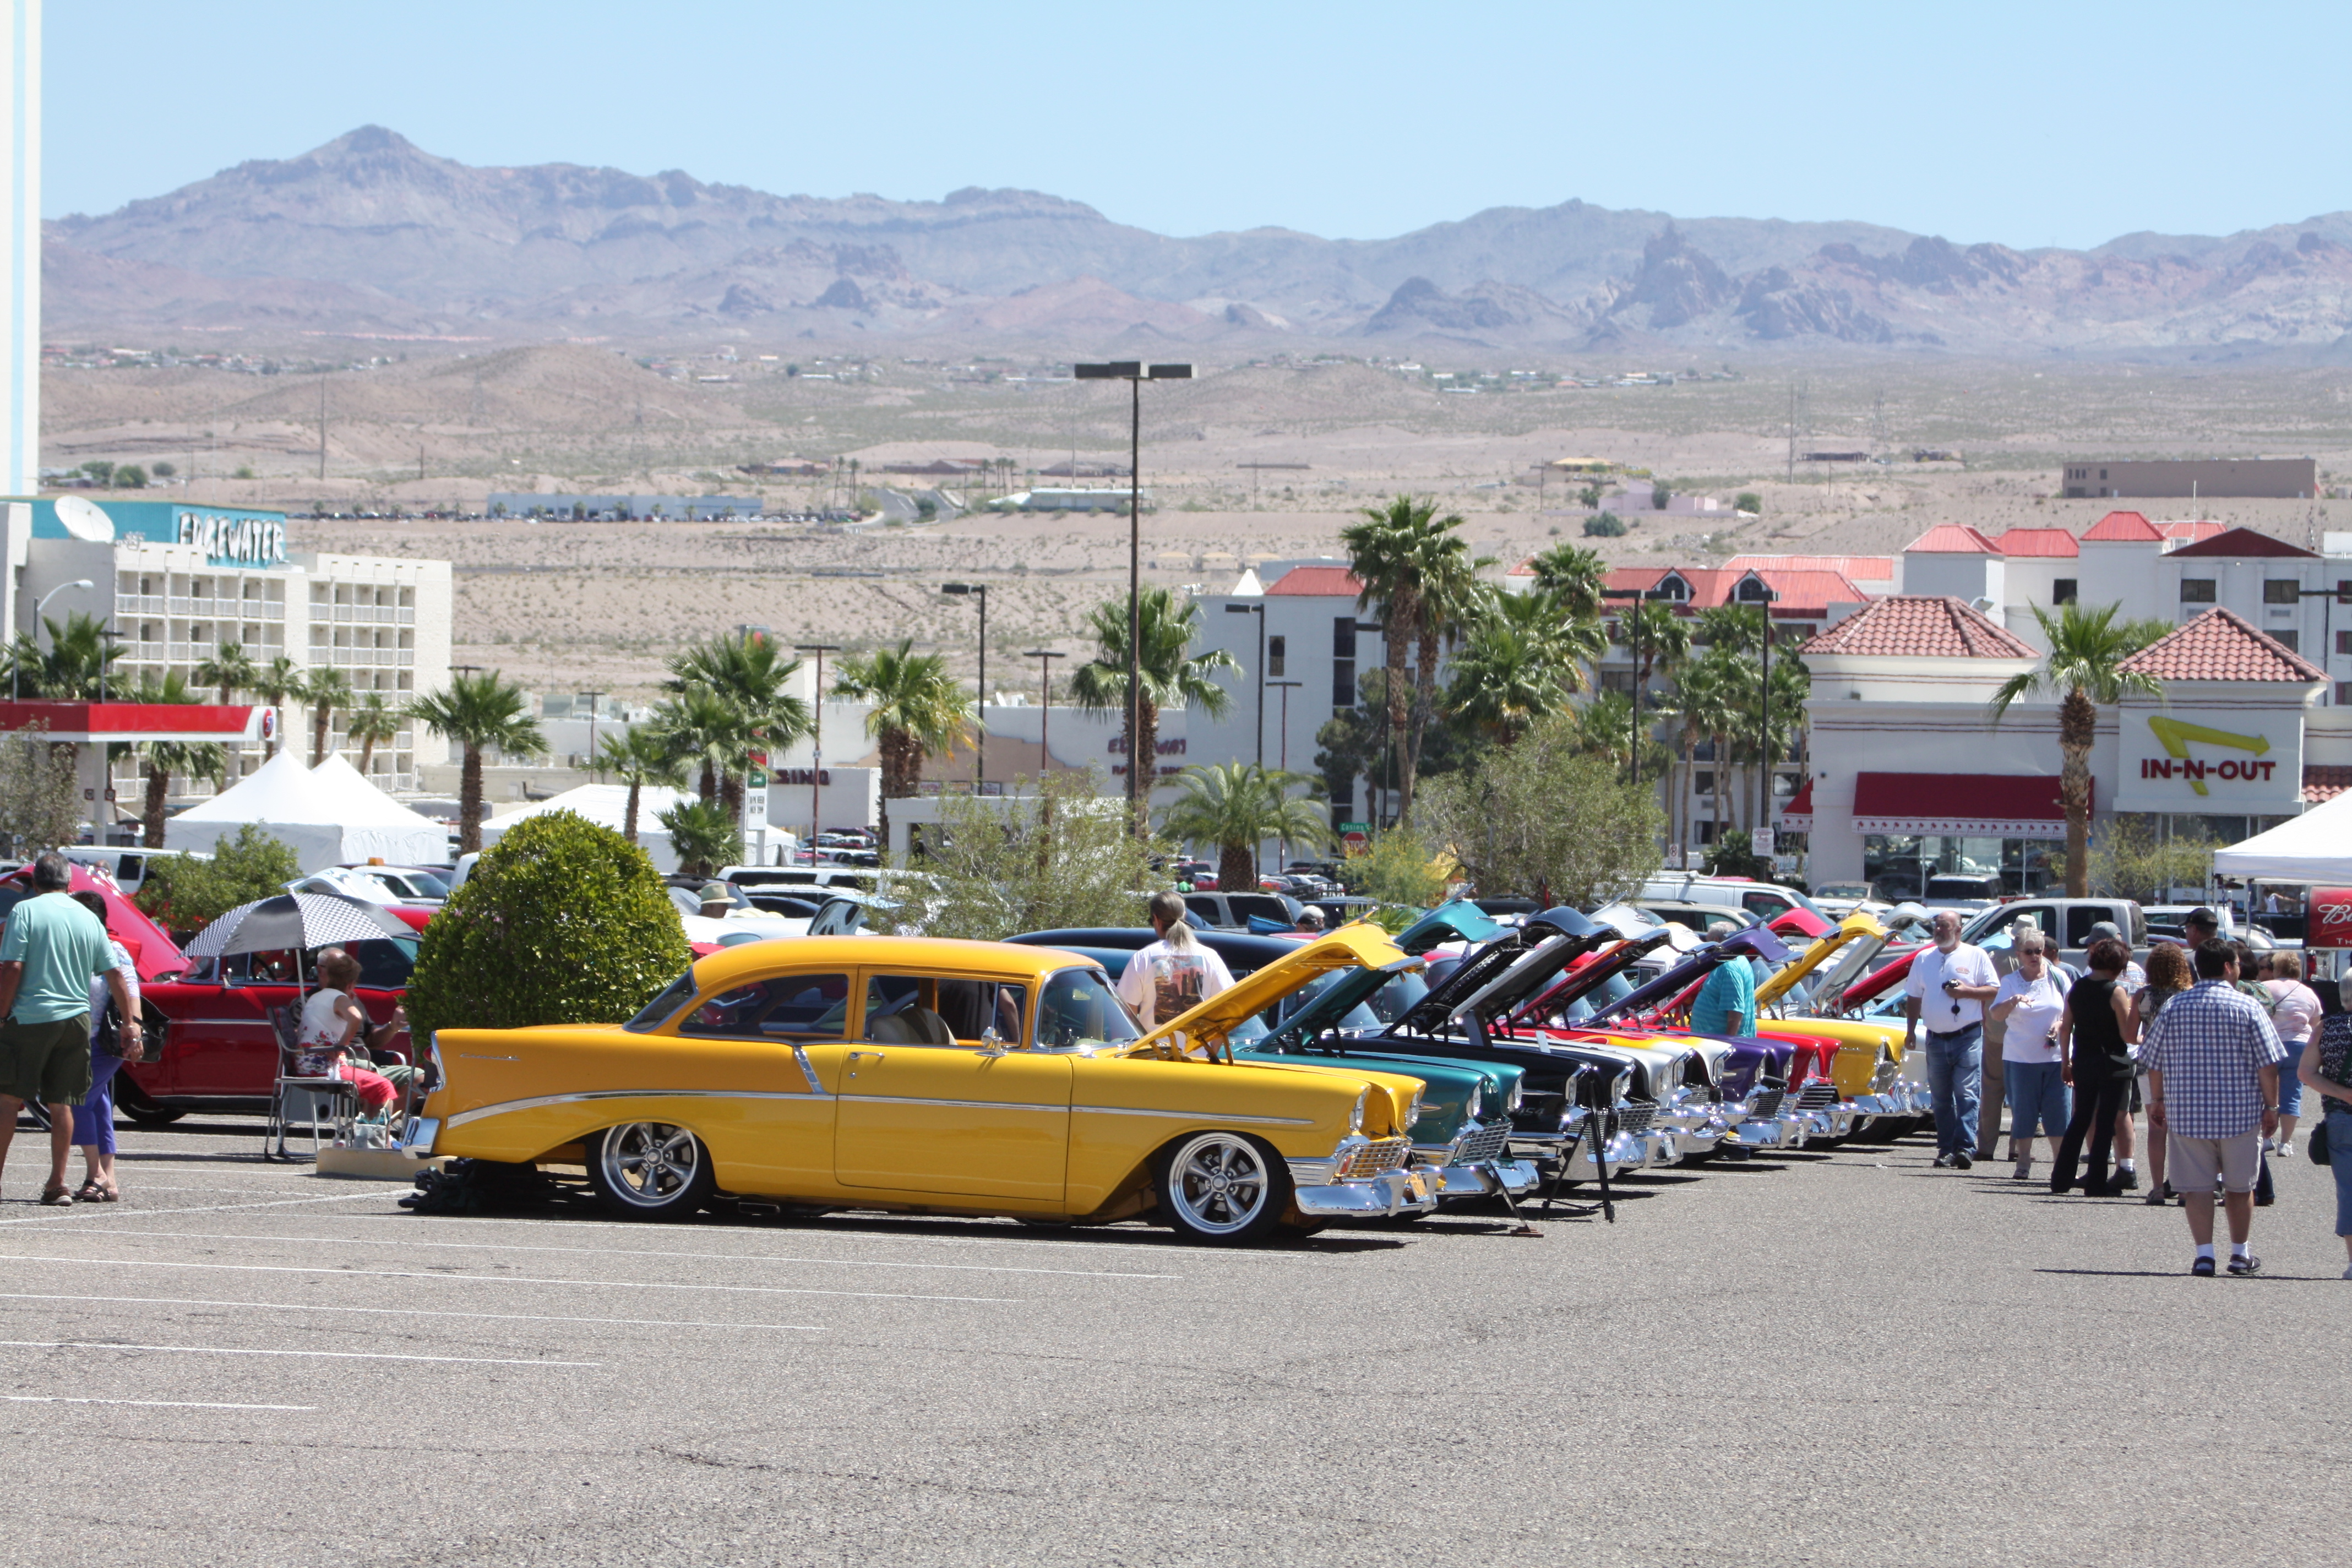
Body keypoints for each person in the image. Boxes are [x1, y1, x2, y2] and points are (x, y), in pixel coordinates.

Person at [2143, 938, 2286, 1277]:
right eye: (2236, 963)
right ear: (2227, 967)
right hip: (2240, 1114)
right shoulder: (2248, 1007)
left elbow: (2153, 1059)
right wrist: (2272, 1106)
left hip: (2188, 1114)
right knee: (2240, 1187)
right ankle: (2239, 1254)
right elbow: (2268, 1064)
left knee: (2197, 1188)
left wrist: (2158, 1100)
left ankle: (2204, 1256)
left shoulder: (2174, 1007)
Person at [0, 853, 138, 1205]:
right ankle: (57, 1184)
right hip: (76, 1020)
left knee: (8, 1099)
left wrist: (1, 1015)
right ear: (68, 884)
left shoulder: (25, 911)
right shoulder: (87, 917)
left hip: (30, 1016)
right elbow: (115, 973)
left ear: (35, 883)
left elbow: (12, 967)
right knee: (62, 1103)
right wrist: (128, 1023)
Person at [1905, 910, 1999, 1169]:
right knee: (1941, 1097)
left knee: (1967, 1093)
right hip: (1935, 1038)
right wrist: (1910, 1031)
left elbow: (1994, 990)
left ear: (1958, 930)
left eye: (1944, 927)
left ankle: (1965, 1148)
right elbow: (1914, 996)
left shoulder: (1976, 955)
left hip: (1967, 1037)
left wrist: (1966, 991)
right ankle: (1946, 1149)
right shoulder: (1924, 958)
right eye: (1936, 926)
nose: (1938, 931)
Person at [66, 890, 141, 1202]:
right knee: (98, 1104)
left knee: (77, 1098)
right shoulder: (69, 951)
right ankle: (109, 1180)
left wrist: (134, 1029)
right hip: (75, 1039)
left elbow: (131, 989)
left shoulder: (113, 950)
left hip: (106, 1041)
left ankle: (94, 1174)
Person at [2050, 937, 2138, 1196]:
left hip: (2084, 1060)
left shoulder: (2077, 988)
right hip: (2112, 1063)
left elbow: (2066, 1028)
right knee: (2105, 1122)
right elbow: (2126, 1034)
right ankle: (2097, 1183)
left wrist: (2065, 1060)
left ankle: (2061, 1178)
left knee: (2080, 1119)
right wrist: (2144, 1036)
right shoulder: (2116, 991)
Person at [1989, 929, 2071, 1180]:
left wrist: (2061, 1024)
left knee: (2059, 1111)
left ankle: (2061, 1164)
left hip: (2056, 1058)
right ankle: (2023, 1159)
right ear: (2019, 955)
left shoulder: (2058, 977)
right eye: (2029, 952)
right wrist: (2013, 1001)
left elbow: (2073, 1010)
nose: (2035, 956)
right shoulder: (2011, 981)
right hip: (2021, 1057)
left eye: (2039, 951)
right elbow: (1996, 1015)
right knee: (2024, 1111)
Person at [295, 948, 406, 1119]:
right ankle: (377, 1134)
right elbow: (356, 1018)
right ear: (351, 983)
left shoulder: (316, 997)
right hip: (325, 1068)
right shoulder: (340, 998)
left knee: (376, 1086)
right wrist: (342, 1045)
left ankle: (369, 1130)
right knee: (383, 1087)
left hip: (307, 1066)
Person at [1114, 892, 1234, 1031]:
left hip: (1154, 1045)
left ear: (1156, 919)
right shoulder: (1210, 956)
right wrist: (1213, 1043)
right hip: (1197, 1045)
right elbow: (1229, 1004)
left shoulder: (1143, 957)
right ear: (1185, 915)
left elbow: (1126, 1012)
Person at [2131, 941, 2194, 1204]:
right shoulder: (2188, 994)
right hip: (2182, 1067)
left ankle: (2158, 1188)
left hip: (2149, 1066)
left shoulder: (2143, 995)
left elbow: (2129, 1034)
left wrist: (2146, 1040)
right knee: (2182, 1130)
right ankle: (2184, 1189)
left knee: (2156, 1128)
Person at [2299, 978, 2352, 1281]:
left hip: (2341, 1119)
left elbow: (2306, 1073)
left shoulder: (2327, 1028)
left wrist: (2343, 1094)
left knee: (2349, 1192)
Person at [2260, 950, 2322, 1158]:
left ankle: (2266, 1138)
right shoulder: (2308, 992)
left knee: (2267, 1094)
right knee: (2292, 1095)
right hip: (2298, 1047)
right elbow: (2315, 1022)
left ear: (2277, 968)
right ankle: (2285, 1143)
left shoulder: (2266, 988)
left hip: (2271, 1046)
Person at [1690, 922, 1757, 1038]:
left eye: (1708, 942)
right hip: (1712, 1040)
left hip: (1720, 1043)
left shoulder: (1729, 967)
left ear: (1716, 940)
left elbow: (1735, 1013)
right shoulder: (1737, 959)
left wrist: (1728, 1042)